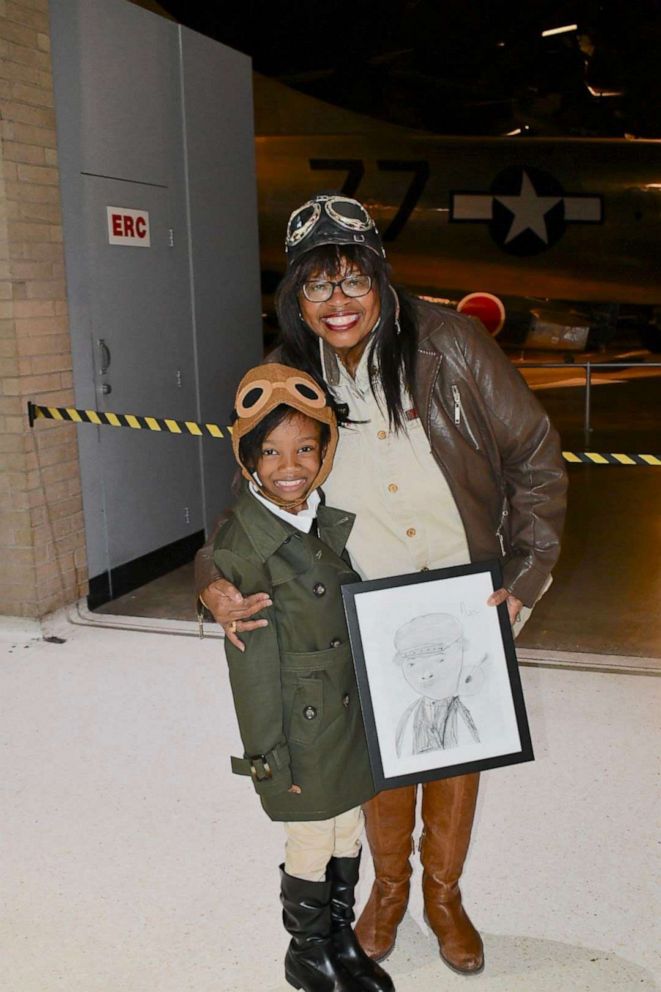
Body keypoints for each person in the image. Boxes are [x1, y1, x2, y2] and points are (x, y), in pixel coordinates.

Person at [196, 194, 568, 976]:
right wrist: (213, 582)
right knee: (379, 751)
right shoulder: (292, 372)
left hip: (466, 592)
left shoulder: (452, 344)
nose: (337, 303)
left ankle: (443, 896)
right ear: (294, 297)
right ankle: (389, 891)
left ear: (379, 277)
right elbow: (254, 495)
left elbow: (533, 455)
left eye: (351, 279)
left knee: (457, 749)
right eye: (316, 286)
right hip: (363, 598)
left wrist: (526, 574)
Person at [215, 361, 394, 992]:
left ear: (325, 451)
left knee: (348, 826)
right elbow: (254, 675)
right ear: (247, 459)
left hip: (344, 713)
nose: (289, 466)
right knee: (313, 836)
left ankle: (340, 940)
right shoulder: (248, 543)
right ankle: (306, 951)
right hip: (300, 728)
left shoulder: (322, 517)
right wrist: (272, 761)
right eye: (270, 451)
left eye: (305, 447)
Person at [393, 613, 481, 757]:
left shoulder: (478, 709)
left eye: (438, 660)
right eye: (412, 664)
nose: (425, 673)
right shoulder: (406, 719)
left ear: (460, 653)